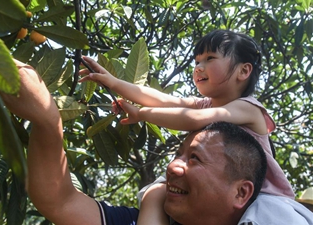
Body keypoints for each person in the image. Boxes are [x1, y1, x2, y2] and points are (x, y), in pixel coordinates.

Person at [1, 60, 313, 225]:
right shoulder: (157, 216)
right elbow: (61, 202)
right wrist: (47, 122)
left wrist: (142, 114)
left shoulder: (274, 215)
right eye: (179, 154)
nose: (172, 165)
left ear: (242, 191)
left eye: (194, 158)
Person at [79, 29, 295, 224]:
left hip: (255, 198)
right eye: (197, 61)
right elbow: (160, 99)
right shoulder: (205, 103)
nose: (199, 67)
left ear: (243, 71)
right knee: (154, 193)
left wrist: (141, 113)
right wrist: (112, 82)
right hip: (215, 191)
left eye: (210, 58)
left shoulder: (249, 108)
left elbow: (193, 119)